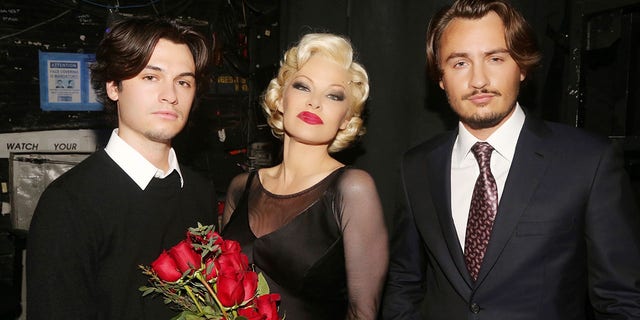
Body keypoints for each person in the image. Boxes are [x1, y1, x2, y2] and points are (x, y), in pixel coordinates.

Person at [382, 0, 640, 319]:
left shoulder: (589, 161)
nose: (479, 80)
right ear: (440, 77)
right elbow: (405, 283)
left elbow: (621, 299)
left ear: (521, 67)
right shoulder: (417, 167)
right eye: (460, 62)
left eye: (495, 58)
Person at [27, 16, 215, 319]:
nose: (171, 95)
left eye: (183, 81)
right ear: (114, 86)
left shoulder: (199, 191)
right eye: (151, 77)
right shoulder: (69, 204)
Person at [221, 33, 389, 319]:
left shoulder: (352, 189)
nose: (315, 103)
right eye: (302, 87)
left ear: (346, 118)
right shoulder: (241, 188)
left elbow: (363, 312)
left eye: (333, 95)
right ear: (281, 99)